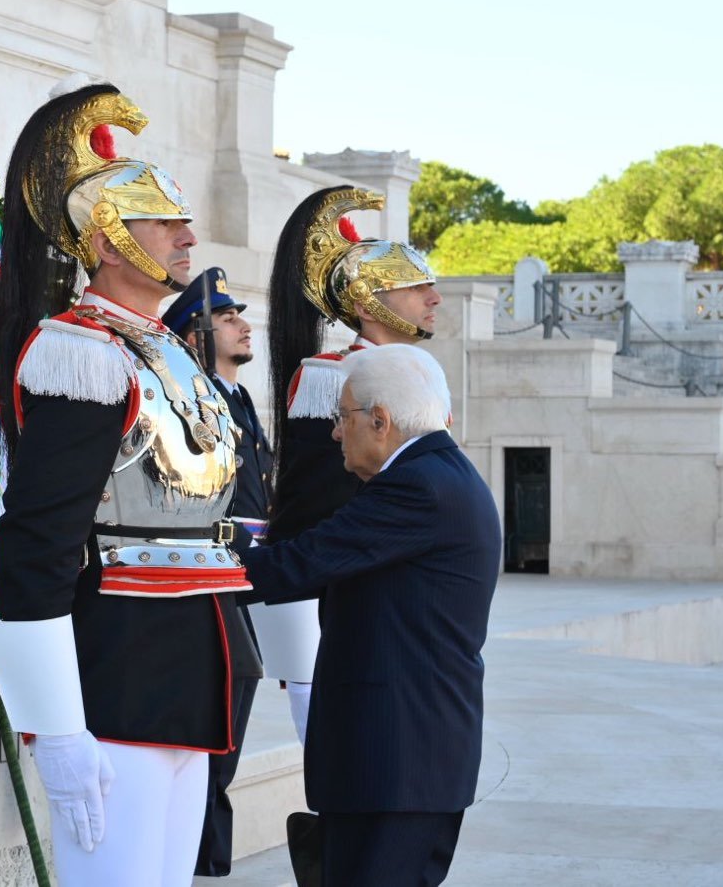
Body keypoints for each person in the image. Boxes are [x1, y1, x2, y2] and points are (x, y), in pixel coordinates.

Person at [0, 84, 254, 887]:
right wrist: (58, 726)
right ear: (109, 238)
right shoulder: (83, 353)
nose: (187, 236)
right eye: (165, 221)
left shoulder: (164, 350)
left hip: (190, 678)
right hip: (117, 680)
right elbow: (38, 542)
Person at [242, 343, 500, 886]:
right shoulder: (440, 474)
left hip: (397, 765)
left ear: (380, 421)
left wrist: (184, 560)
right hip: (401, 762)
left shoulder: (417, 487)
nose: (337, 433)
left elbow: (299, 563)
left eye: (343, 416)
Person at [264, 186, 440, 745]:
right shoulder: (330, 377)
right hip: (336, 607)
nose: (433, 297)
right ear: (366, 304)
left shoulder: (419, 376)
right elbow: (315, 507)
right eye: (414, 286)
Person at [161, 267, 273, 878]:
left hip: (247, 570)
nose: (241, 326)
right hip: (213, 568)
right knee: (221, 707)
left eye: (239, 316)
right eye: (226, 319)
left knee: (236, 700)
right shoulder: (196, 401)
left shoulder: (239, 399)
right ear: (194, 336)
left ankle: (205, 851)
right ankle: (200, 852)